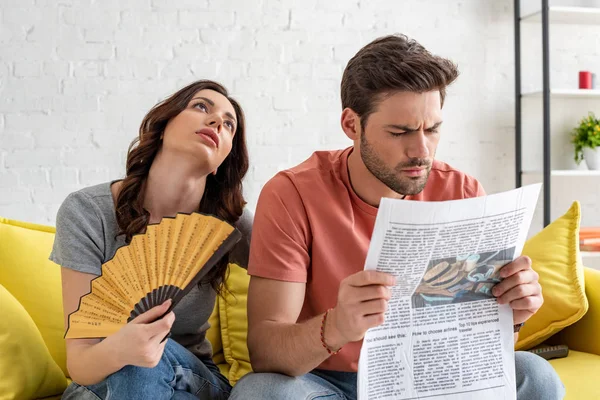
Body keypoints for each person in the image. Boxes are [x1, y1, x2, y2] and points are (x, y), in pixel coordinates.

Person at [230, 34, 564, 400]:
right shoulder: (292, 194)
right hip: (327, 384)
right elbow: (265, 352)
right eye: (400, 132)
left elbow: (479, 341)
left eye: (432, 129)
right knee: (260, 392)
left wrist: (512, 312)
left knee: (536, 375)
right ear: (351, 125)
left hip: (432, 379)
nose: (421, 151)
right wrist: (338, 325)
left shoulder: (463, 192)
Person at [50, 80, 252, 400]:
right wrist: (124, 348)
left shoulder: (231, 224)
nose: (217, 122)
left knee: (144, 360)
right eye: (201, 107)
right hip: (100, 378)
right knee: (135, 359)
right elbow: (80, 361)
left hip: (190, 375)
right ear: (162, 127)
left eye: (230, 124)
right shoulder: (88, 211)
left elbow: (301, 278)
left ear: (224, 160)